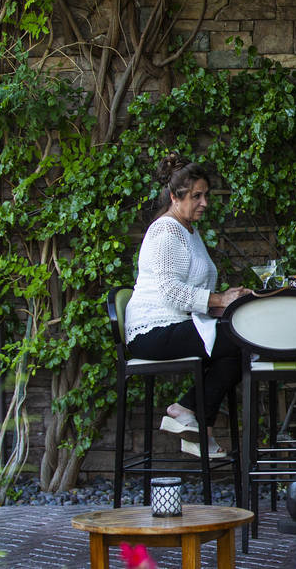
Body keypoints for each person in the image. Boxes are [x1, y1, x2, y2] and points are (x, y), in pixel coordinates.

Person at [124, 154, 252, 457]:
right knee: (239, 339)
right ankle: (187, 411)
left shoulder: (189, 231)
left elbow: (191, 288)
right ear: (174, 197)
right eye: (197, 196)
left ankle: (196, 422)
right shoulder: (166, 230)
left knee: (238, 344)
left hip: (178, 325)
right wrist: (220, 300)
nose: (205, 202)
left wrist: (226, 297)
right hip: (152, 331)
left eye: (205, 195)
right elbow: (170, 291)